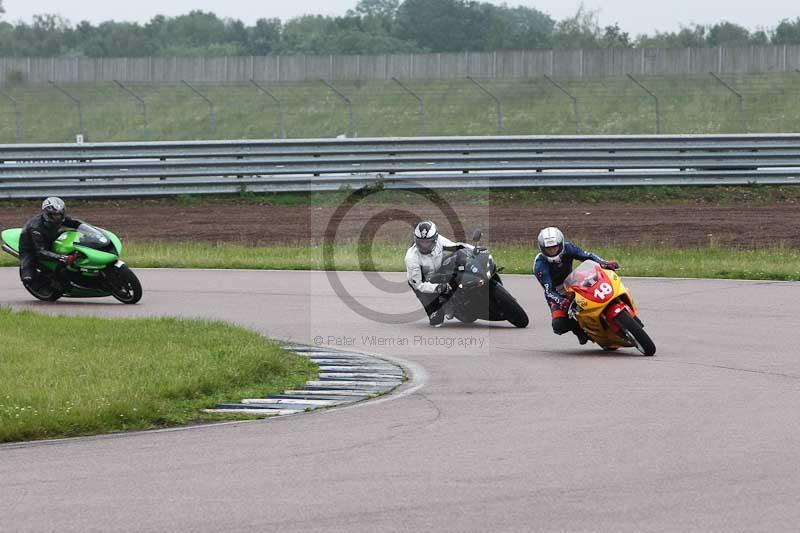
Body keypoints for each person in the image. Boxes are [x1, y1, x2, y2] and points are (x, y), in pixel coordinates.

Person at [533, 227, 620, 344]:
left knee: (598, 283)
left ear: (561, 244)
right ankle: (580, 331)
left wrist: (604, 263)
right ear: (542, 248)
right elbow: (548, 291)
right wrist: (561, 301)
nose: (552, 251)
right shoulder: (540, 265)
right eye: (548, 249)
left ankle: (616, 302)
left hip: (574, 279)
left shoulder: (568, 248)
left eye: (555, 247)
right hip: (556, 291)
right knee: (558, 325)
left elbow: (587, 256)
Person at [405, 221, 474, 327]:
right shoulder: (411, 258)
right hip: (422, 283)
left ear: (435, 239)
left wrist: (475, 250)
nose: (424, 245)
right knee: (437, 322)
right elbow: (419, 285)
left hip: (438, 270)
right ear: (416, 240)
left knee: (458, 261)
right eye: (421, 242)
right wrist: (438, 288)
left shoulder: (439, 240)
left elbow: (456, 246)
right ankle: (443, 308)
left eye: (428, 242)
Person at [19, 197, 82, 293]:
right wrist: (63, 258)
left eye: (60, 214)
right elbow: (40, 251)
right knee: (28, 278)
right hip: (31, 248)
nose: (58, 217)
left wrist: (91, 230)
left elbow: (77, 224)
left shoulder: (62, 219)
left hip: (51, 239)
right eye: (54, 215)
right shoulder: (36, 228)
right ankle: (45, 285)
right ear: (47, 214)